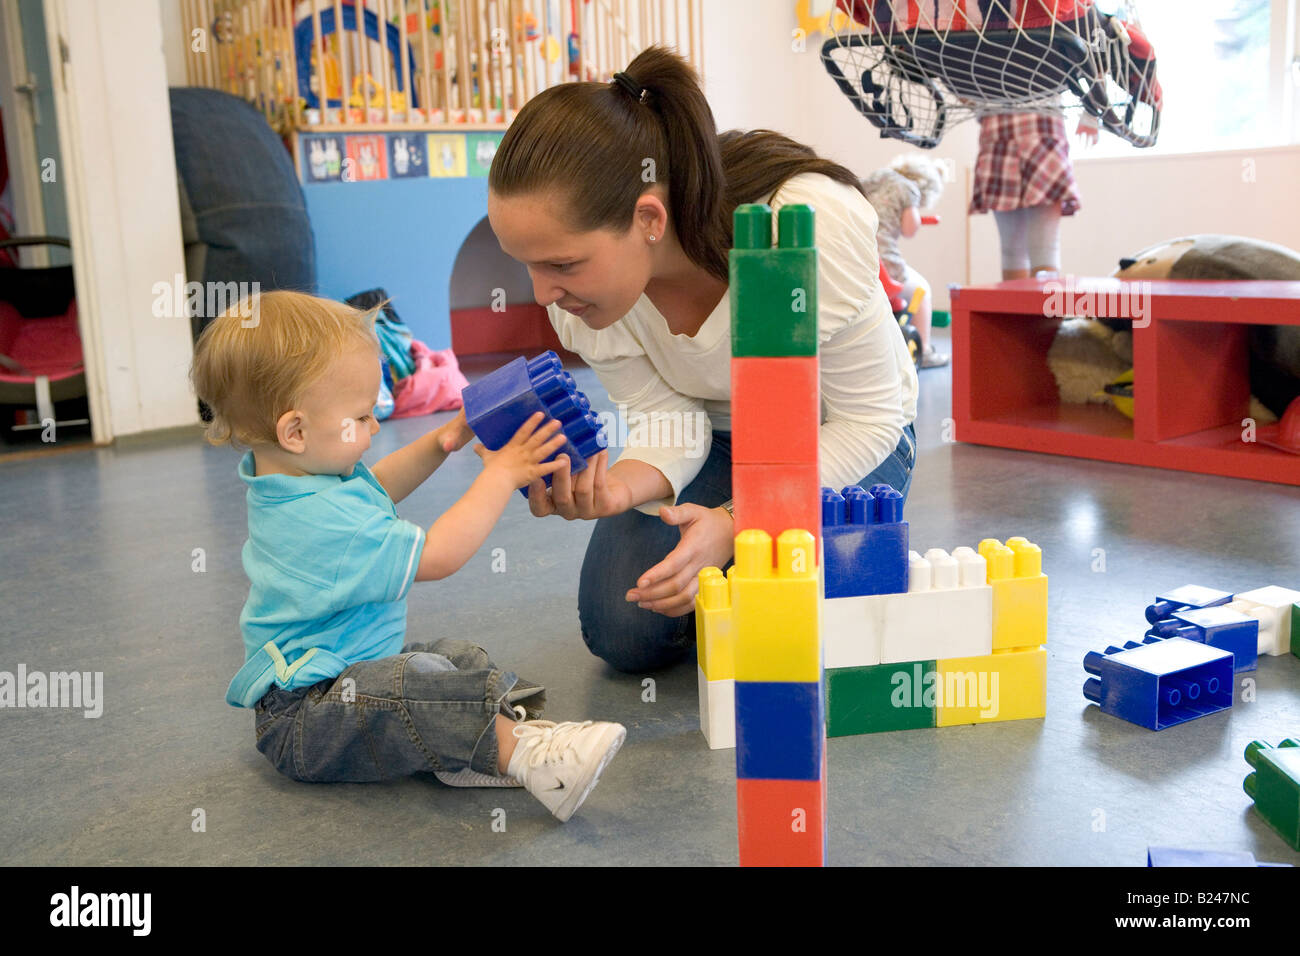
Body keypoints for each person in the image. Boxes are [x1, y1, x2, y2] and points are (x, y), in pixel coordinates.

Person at [486, 46, 919, 674]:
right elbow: (666, 417)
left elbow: (870, 420)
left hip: (839, 434)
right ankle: (735, 581)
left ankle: (779, 567)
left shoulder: (805, 224)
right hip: (720, 440)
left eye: (561, 263)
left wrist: (736, 521)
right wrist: (614, 489)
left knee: (805, 625)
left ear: (649, 219)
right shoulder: (583, 299)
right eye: (525, 264)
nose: (542, 294)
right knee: (624, 627)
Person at [189, 290, 625, 822]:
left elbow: (377, 487)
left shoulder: (297, 479)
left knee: (451, 657)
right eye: (363, 415)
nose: (375, 426)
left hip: (344, 684)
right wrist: (500, 473)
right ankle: (529, 757)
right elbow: (440, 556)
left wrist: (445, 438)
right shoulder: (319, 525)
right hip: (306, 721)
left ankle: (476, 741)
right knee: (413, 685)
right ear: (295, 431)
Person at [969, 108, 1086, 279]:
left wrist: (1090, 115)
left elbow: (1091, 80)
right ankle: (1016, 305)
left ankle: (1043, 305)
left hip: (1043, 132)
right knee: (1011, 250)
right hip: (998, 133)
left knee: (1045, 247)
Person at [861, 155, 948, 368]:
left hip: (858, 253)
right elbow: (909, 229)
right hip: (883, 262)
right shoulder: (910, 190)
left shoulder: (875, 179)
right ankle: (925, 350)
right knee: (921, 290)